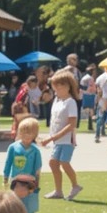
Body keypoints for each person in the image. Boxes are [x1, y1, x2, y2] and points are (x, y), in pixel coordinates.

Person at [40, 70, 82, 200]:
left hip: (67, 140)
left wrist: (52, 138)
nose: (56, 88)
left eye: (60, 85)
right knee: (53, 163)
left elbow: (71, 124)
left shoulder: (71, 102)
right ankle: (58, 191)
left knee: (64, 162)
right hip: (57, 140)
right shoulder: (57, 101)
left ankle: (75, 185)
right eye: (55, 85)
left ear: (68, 86)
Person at [3, 116, 43, 213]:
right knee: (15, 208)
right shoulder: (13, 147)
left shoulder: (35, 150)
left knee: (29, 211)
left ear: (35, 134)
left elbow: (37, 170)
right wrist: (5, 177)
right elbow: (8, 163)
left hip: (29, 184)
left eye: (29, 133)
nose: (26, 135)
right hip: (16, 183)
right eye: (23, 132)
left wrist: (36, 186)